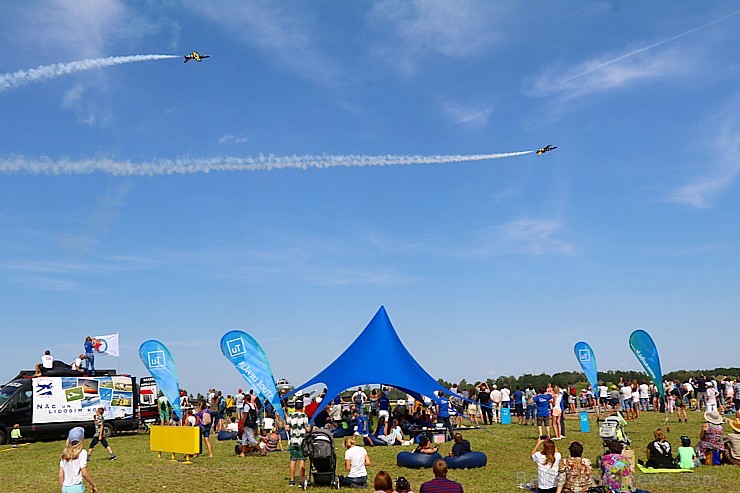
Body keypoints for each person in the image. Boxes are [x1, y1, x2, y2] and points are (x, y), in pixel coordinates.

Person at [59, 427, 98, 493]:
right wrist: (93, 484)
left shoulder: (65, 454)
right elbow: (84, 473)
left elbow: (60, 475)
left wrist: (62, 489)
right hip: (76, 488)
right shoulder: (82, 453)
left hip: (65, 488)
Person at [285, 399, 310, 487]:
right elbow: (308, 429)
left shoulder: (290, 416)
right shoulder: (304, 416)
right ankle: (300, 481)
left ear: (295, 407)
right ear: (302, 407)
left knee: (293, 459)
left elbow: (287, 428)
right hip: (302, 441)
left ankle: (291, 480)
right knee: (302, 460)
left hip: (293, 441)